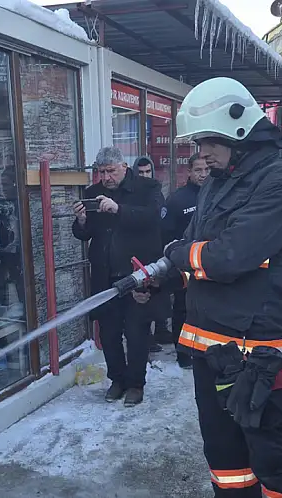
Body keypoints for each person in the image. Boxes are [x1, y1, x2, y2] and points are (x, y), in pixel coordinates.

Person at [165, 77, 282, 498]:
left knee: (276, 459)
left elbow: (227, 257)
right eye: (198, 143)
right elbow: (197, 248)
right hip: (208, 345)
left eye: (209, 141)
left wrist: (178, 256)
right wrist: (158, 278)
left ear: (240, 130)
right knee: (226, 460)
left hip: (258, 352)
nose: (202, 153)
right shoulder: (217, 181)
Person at [73, 147, 166, 406]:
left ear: (124, 167)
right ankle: (117, 380)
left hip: (137, 275)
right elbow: (85, 234)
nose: (106, 177)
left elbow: (153, 217)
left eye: (111, 171)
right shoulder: (92, 193)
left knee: (136, 334)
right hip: (105, 276)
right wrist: (81, 221)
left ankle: (136, 384)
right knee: (110, 333)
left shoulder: (148, 188)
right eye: (101, 172)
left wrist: (118, 209)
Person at [161, 153, 209, 368]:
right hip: (185, 264)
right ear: (189, 172)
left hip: (210, 262)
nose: (203, 174)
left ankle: (207, 349)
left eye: (207, 169)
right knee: (183, 308)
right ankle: (183, 352)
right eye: (198, 170)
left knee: (208, 307)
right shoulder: (177, 199)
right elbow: (166, 234)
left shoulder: (218, 195)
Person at [131, 155, 171, 352]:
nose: (145, 176)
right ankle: (146, 337)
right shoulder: (133, 195)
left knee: (159, 292)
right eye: (141, 173)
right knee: (142, 294)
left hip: (157, 249)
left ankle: (161, 329)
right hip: (138, 252)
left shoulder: (157, 193)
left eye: (148, 172)